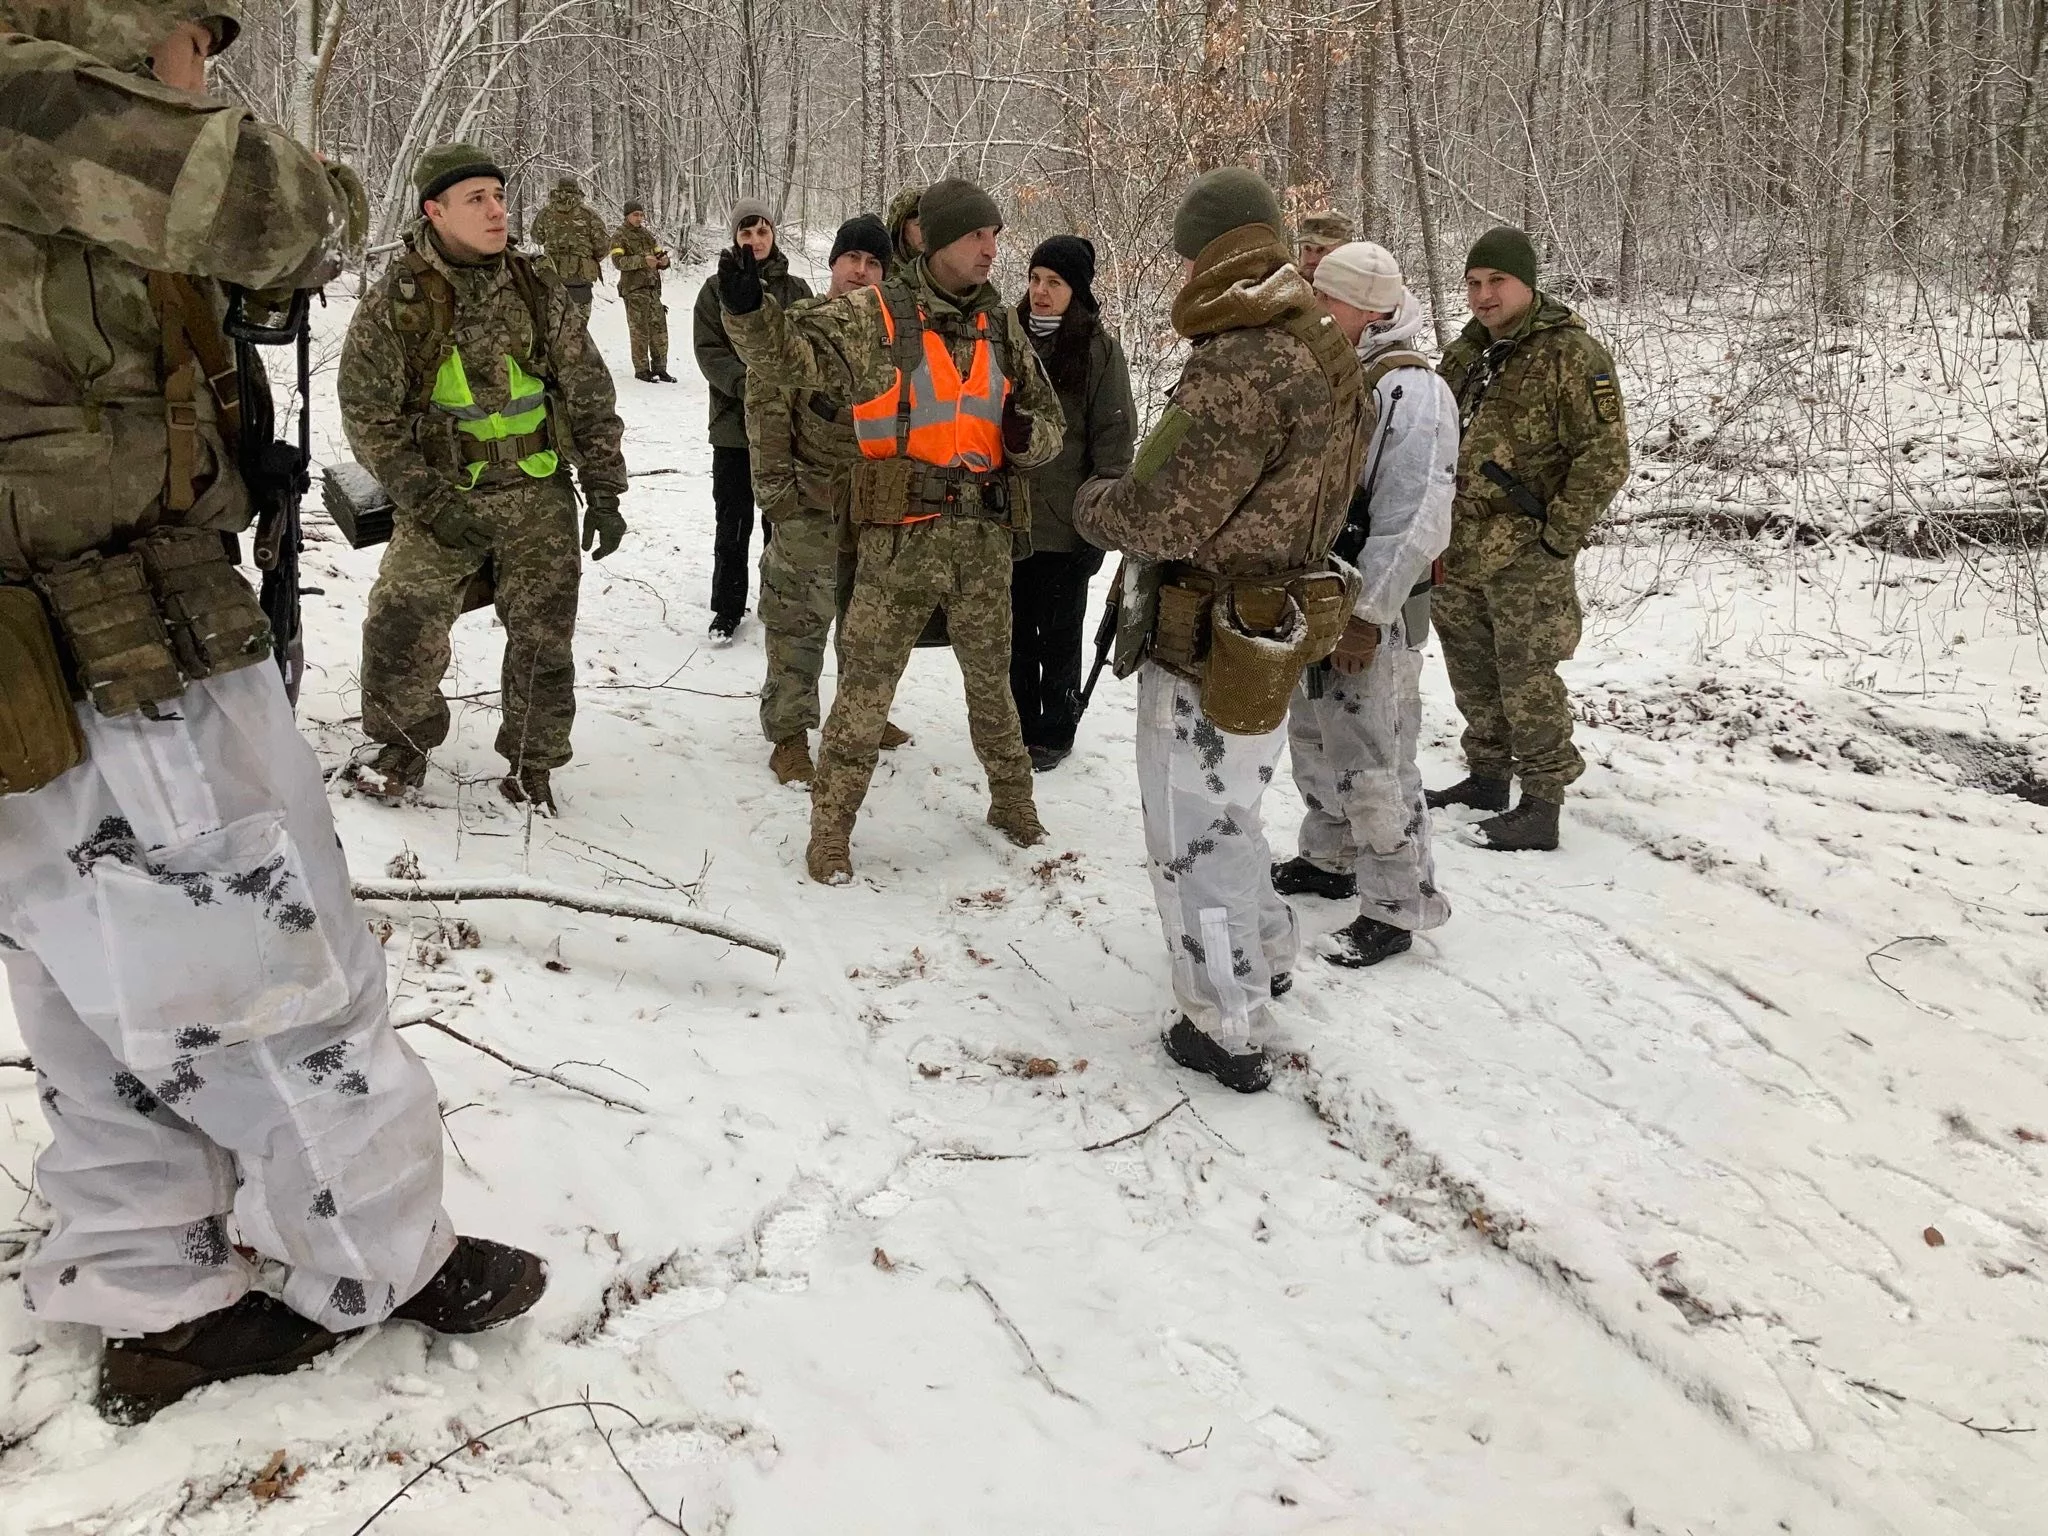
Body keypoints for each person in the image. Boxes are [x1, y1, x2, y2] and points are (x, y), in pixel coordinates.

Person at [0, 1, 545, 1425]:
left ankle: (148, 1286)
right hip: (117, 647)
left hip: (43, 662)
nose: (206, 72)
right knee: (269, 973)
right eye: (194, 41)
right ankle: (370, 1260)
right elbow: (294, 214)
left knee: (92, 982)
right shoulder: (46, 104)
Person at [1074, 167, 1367, 1094]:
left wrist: (1087, 501)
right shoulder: (1321, 342)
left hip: (1210, 635)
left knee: (1190, 834)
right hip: (1274, 624)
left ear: (1213, 252)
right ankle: (1265, 950)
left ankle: (1225, 1022)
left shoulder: (1245, 358)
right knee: (1238, 808)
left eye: (1189, 253)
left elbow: (1160, 517)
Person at [716, 177, 1065, 883]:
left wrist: (1031, 440)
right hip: (899, 539)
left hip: (983, 541)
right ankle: (832, 831)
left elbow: (1049, 424)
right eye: (977, 236)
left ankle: (1014, 802)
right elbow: (787, 356)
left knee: (992, 686)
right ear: (935, 241)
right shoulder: (876, 317)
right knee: (865, 690)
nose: (992, 250)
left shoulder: (1001, 325)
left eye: (996, 235)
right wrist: (748, 308)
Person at [342, 141, 629, 816]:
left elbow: (587, 388)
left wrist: (607, 489)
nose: (498, 211)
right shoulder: (397, 303)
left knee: (543, 641)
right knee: (399, 622)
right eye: (478, 199)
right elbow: (368, 419)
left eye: (500, 196)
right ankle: (403, 745)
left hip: (537, 496)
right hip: (442, 499)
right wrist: (428, 501)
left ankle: (532, 766)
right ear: (434, 210)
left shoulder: (535, 289)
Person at [1274, 242, 1455, 966]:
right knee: (1316, 740)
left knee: (1377, 758)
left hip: (1369, 614)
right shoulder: (1336, 371)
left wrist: (1365, 614)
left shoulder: (1413, 393)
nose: (1315, 309)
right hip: (1317, 598)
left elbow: (1416, 516)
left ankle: (1397, 900)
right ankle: (1331, 856)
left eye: (1328, 299)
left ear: (1369, 308)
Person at [1428, 227, 1630, 851]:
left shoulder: (1571, 355)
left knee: (1527, 674)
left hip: (1522, 551)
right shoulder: (1467, 353)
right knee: (1471, 668)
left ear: (1527, 283)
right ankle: (1487, 775)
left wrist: (1556, 538)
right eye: (1473, 283)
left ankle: (1542, 802)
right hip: (1457, 545)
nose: (1482, 296)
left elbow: (1605, 455)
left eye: (1496, 283)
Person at [748, 214, 912, 785]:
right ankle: (789, 735)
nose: (860, 272)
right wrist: (779, 497)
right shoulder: (800, 327)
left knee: (869, 626)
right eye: (852, 260)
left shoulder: (899, 340)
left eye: (872, 264)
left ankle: (864, 714)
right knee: (797, 622)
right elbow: (767, 413)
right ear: (833, 263)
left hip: (879, 513)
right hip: (810, 504)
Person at [1010, 235, 1134, 771]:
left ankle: (1055, 732)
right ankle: (1013, 728)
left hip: (1068, 526)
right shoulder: (1005, 338)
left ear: (1074, 290)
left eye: (1053, 283)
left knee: (1060, 634)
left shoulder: (1098, 351)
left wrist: (1100, 526)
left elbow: (1113, 444)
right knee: (1012, 633)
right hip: (1008, 517)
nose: (1040, 292)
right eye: (1035, 279)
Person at [694, 199, 813, 641]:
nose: (755, 240)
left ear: (773, 235)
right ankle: (726, 609)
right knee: (733, 521)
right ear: (735, 237)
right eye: (746, 233)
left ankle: (779, 604)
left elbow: (807, 347)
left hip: (786, 430)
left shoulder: (796, 289)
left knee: (781, 523)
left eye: (762, 231)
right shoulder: (713, 290)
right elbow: (709, 352)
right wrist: (749, 385)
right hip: (733, 428)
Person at [529, 176, 611, 330]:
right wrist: (587, 257)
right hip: (580, 283)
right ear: (578, 191)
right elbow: (604, 245)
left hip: (552, 282)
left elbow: (536, 238)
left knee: (553, 331)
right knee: (578, 333)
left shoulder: (545, 213)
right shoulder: (589, 214)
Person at [610, 200, 672, 382]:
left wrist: (664, 261)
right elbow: (618, 262)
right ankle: (642, 370)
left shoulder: (647, 235)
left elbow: (658, 253)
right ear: (627, 216)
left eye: (641, 214)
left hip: (653, 289)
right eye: (635, 215)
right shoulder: (620, 236)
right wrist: (643, 261)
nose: (639, 218)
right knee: (639, 332)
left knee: (659, 331)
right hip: (634, 289)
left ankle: (661, 368)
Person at [1296, 209, 1354, 285]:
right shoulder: (1284, 289)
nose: (1311, 260)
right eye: (1307, 248)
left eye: (1321, 250)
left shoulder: (1360, 291)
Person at [885, 185, 926, 276]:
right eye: (919, 225)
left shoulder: (940, 267)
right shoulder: (882, 269)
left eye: (930, 225)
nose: (926, 232)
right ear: (901, 228)